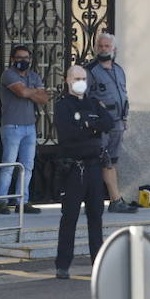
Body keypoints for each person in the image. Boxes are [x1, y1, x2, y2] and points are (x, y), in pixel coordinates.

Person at [52, 65, 114, 279]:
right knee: (69, 217)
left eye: (83, 78)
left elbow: (108, 122)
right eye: (77, 78)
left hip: (94, 167)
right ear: (68, 80)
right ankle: (62, 265)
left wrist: (88, 124)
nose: (81, 82)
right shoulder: (63, 106)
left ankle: (98, 262)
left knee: (96, 216)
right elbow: (68, 134)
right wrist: (91, 125)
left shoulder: (93, 102)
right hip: (73, 168)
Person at [84, 32, 137, 214]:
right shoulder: (90, 71)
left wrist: (124, 119)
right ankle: (114, 200)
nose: (103, 49)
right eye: (100, 46)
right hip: (102, 126)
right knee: (103, 161)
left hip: (118, 124)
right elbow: (84, 98)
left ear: (114, 49)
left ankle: (112, 200)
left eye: (107, 46)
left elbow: (123, 96)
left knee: (112, 162)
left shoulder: (119, 70)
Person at [0, 46, 49, 215]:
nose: (23, 61)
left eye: (26, 57)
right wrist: (33, 92)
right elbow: (21, 92)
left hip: (30, 127)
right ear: (12, 59)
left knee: (27, 166)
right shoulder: (8, 74)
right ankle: (1, 201)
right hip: (12, 126)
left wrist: (29, 92)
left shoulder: (33, 76)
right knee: (9, 165)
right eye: (19, 57)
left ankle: (22, 201)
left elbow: (44, 98)